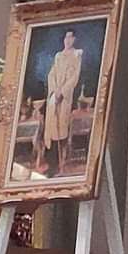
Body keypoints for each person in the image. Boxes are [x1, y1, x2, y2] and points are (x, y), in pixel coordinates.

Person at [43, 29, 82, 174]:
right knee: (51, 128)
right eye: (66, 37)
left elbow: (74, 77)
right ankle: (51, 165)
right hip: (54, 95)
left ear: (74, 39)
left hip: (65, 98)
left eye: (70, 37)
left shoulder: (76, 55)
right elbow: (51, 74)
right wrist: (55, 90)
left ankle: (61, 164)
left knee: (61, 129)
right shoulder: (58, 56)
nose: (68, 40)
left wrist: (63, 91)